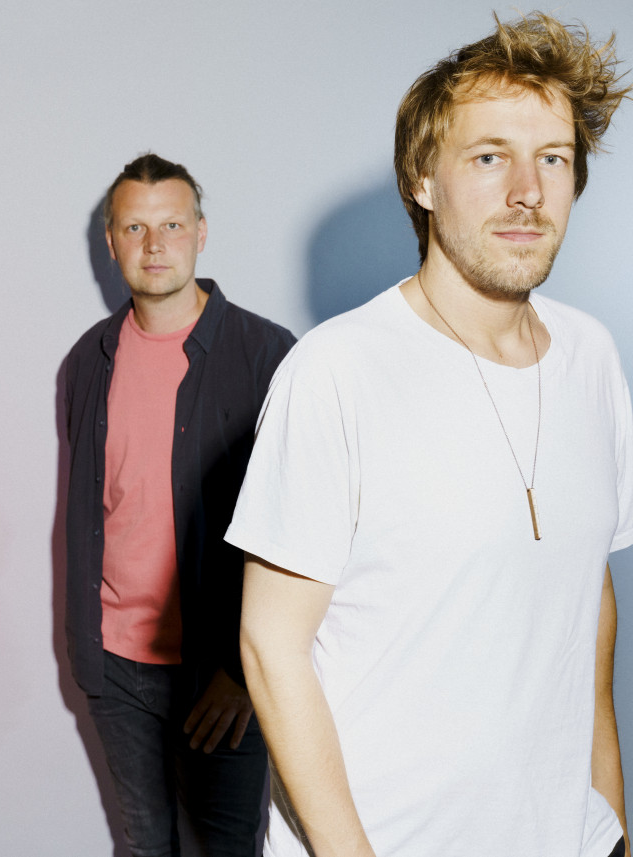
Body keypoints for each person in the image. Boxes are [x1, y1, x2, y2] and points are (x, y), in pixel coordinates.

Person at [228, 13, 632, 857]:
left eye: (553, 159)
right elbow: (271, 647)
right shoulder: (336, 371)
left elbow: (585, 604)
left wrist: (612, 825)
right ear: (422, 178)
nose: (528, 191)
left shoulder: (593, 357)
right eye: (489, 157)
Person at [64, 153, 295, 856]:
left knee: (226, 847)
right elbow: (88, 513)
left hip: (221, 671)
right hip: (117, 666)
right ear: (111, 243)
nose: (154, 244)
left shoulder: (268, 355)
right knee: (145, 845)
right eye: (134, 227)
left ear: (201, 232)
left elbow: (296, 530)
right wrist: (88, 654)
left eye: (171, 224)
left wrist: (244, 673)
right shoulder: (88, 359)